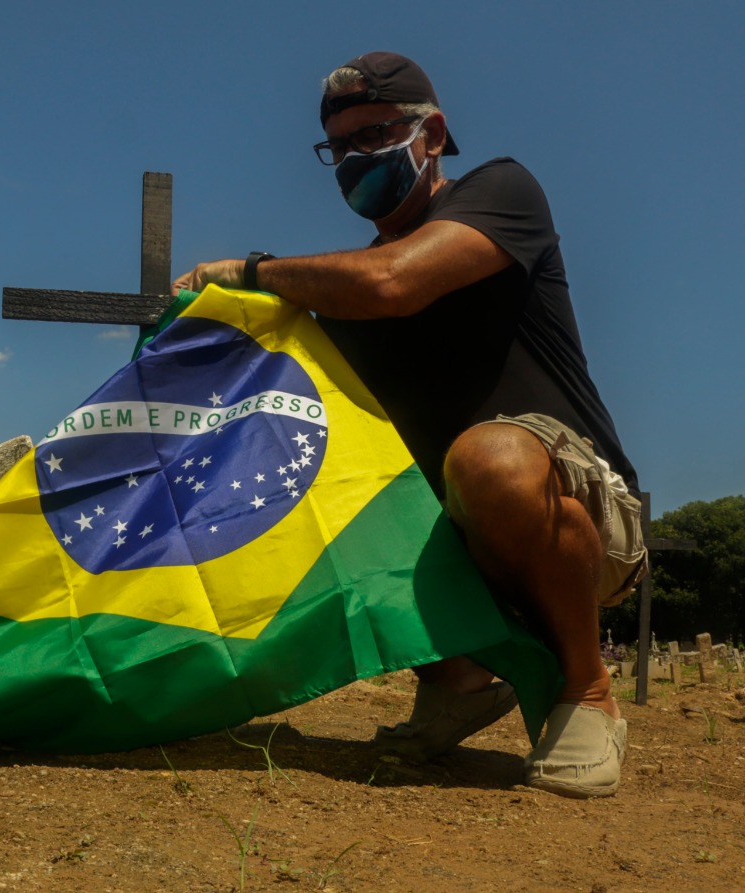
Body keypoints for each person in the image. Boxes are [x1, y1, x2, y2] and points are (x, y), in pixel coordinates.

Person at [172, 52, 646, 798]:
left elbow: (396, 282)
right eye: (340, 146)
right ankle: (457, 683)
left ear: (432, 134)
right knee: (314, 490)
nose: (355, 159)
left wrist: (252, 272)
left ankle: (586, 692)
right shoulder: (347, 300)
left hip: (572, 513)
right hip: (459, 535)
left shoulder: (502, 193)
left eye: (376, 134)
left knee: (486, 460)